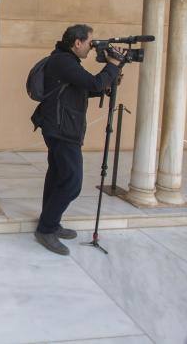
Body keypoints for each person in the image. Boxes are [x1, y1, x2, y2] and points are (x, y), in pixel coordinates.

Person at [32, 24, 121, 256]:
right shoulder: (64, 61)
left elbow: (82, 89)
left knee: (57, 175)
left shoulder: (66, 61)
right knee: (72, 183)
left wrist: (109, 80)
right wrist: (112, 66)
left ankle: (50, 221)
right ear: (78, 42)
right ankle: (46, 229)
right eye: (89, 43)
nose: (91, 48)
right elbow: (93, 83)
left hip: (59, 127)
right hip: (62, 130)